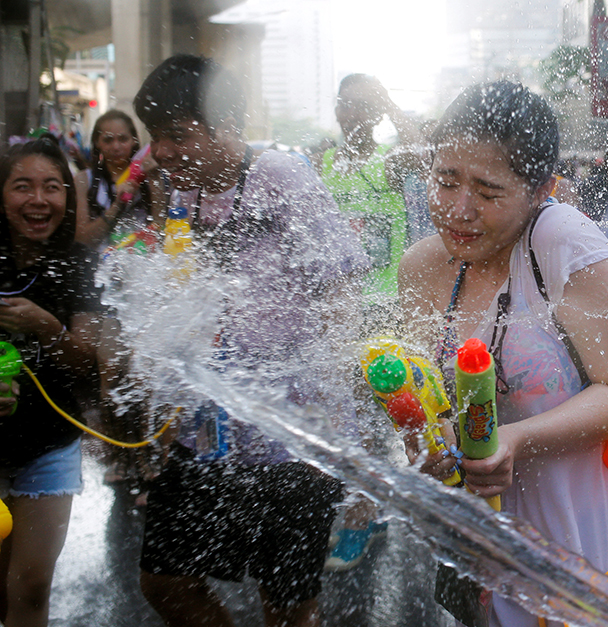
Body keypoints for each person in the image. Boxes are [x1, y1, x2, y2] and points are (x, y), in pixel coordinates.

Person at [398, 81, 608, 627]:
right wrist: (427, 444)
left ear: (543, 188)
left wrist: (514, 439)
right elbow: (426, 398)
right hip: (487, 558)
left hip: (597, 553)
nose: (459, 209)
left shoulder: (564, 245)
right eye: (446, 181)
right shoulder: (421, 269)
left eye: (488, 192)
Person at [132, 54, 370, 627]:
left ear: (227, 125)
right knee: (165, 581)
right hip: (208, 433)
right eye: (155, 137)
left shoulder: (280, 175)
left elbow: (342, 300)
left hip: (292, 437)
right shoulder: (182, 196)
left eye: (177, 135)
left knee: (287, 607)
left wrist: (339, 434)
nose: (161, 152)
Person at [0, 136, 102, 627]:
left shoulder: (80, 266)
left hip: (50, 446)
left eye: (52, 187)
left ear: (68, 195)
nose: (38, 200)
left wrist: (47, 326)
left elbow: (88, 365)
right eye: (22, 186)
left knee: (31, 585)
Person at [318, 74, 419, 315]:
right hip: (337, 306)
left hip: (386, 302)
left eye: (363, 106)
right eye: (345, 105)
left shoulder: (389, 161)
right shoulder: (320, 164)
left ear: (378, 114)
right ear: (336, 111)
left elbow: (420, 151)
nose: (352, 115)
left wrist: (388, 104)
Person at [75, 110, 158, 250]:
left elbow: (161, 228)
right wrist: (117, 205)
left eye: (123, 139)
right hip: (99, 261)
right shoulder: (84, 180)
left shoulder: (150, 175)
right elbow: (82, 240)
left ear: (134, 140)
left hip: (142, 259)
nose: (116, 147)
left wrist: (155, 180)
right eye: (108, 140)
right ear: (97, 142)